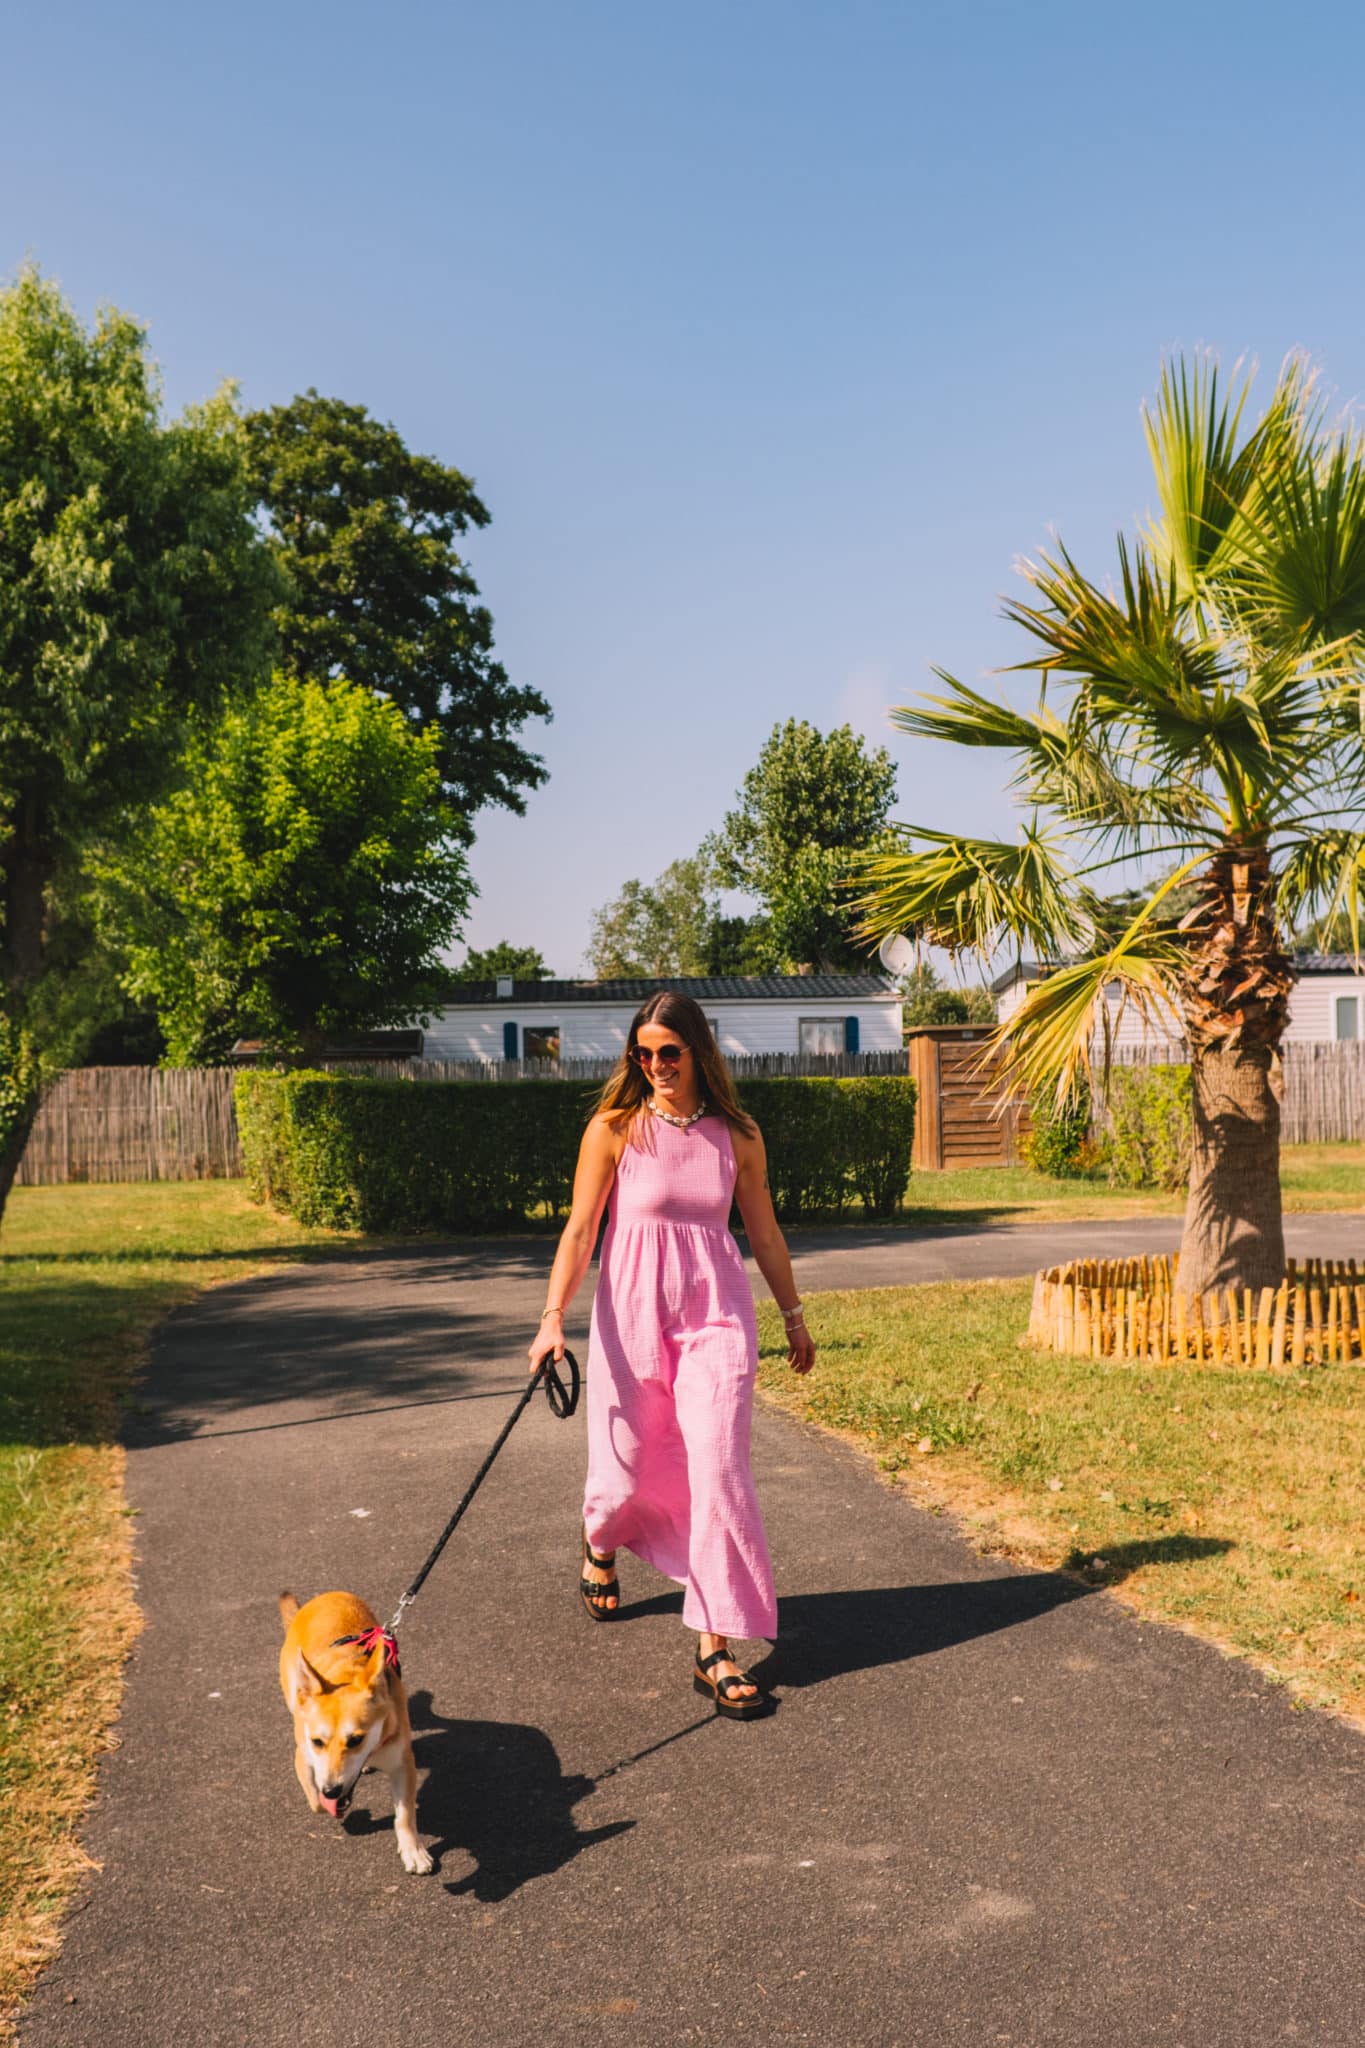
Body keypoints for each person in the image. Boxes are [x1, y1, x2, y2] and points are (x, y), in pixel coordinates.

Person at [528, 991, 815, 1720]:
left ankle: (713, 1647)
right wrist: (551, 1319)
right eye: (643, 1053)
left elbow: (765, 1233)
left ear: (697, 1052)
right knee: (623, 1474)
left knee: (718, 1469)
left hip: (716, 1320)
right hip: (630, 1321)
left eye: (669, 1052)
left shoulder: (738, 1135)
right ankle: (601, 1542)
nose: (655, 1064)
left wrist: (793, 1318)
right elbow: (580, 1229)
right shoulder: (614, 1129)